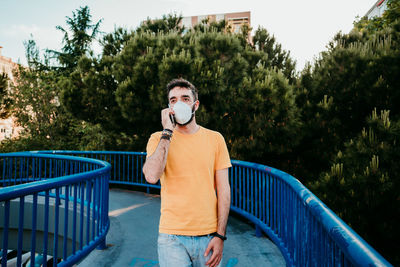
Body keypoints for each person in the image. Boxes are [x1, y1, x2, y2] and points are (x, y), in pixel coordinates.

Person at [142, 78, 231, 267]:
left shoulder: (215, 139)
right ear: (168, 108)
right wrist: (168, 130)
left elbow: (224, 190)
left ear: (195, 105)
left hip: (209, 236)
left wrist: (220, 235)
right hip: (171, 237)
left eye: (185, 98)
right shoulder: (158, 138)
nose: (179, 103)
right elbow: (151, 176)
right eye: (173, 100)